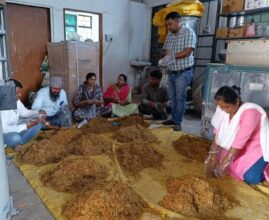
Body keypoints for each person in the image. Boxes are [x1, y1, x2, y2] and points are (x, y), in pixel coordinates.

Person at [205, 86, 269, 184]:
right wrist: (213, 155)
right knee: (219, 162)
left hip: (257, 145)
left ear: (237, 102)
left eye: (227, 107)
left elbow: (239, 141)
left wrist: (225, 163)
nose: (223, 110)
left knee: (251, 177)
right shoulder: (222, 108)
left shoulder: (250, 113)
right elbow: (217, 131)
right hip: (238, 143)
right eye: (221, 107)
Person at [161, 12, 196, 131]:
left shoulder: (188, 32)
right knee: (172, 98)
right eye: (167, 25)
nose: (168, 27)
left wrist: (171, 57)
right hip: (172, 71)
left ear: (177, 21)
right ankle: (173, 118)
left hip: (183, 71)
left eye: (170, 24)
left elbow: (187, 52)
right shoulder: (170, 35)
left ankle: (178, 121)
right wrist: (166, 57)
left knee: (180, 97)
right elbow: (165, 49)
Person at [0, 79, 43, 151]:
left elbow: (25, 113)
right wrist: (26, 125)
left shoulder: (17, 101)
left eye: (20, 92)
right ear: (7, 93)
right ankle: (16, 142)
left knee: (38, 124)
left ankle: (18, 143)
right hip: (4, 134)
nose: (20, 95)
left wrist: (38, 113)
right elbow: (4, 130)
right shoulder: (1, 106)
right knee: (15, 138)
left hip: (16, 127)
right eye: (17, 93)